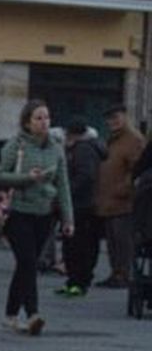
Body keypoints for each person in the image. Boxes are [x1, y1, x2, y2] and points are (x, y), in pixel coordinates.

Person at [0, 101, 72, 335]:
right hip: (18, 212)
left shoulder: (56, 148)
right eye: (38, 118)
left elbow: (63, 185)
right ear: (27, 122)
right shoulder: (16, 145)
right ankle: (33, 314)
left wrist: (68, 218)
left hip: (44, 213)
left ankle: (10, 314)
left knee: (25, 265)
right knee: (28, 262)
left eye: (46, 117)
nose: (43, 122)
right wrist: (27, 178)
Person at [97, 106, 146, 288]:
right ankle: (116, 273)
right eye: (109, 119)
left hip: (123, 201)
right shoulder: (113, 139)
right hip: (109, 199)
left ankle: (124, 275)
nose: (113, 122)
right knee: (112, 242)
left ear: (125, 117)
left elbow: (138, 169)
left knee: (122, 240)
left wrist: (124, 189)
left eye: (116, 117)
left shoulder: (133, 139)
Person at [59, 121, 106, 297]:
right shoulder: (85, 148)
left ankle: (79, 282)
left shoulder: (83, 150)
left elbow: (85, 176)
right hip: (83, 205)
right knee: (75, 245)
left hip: (81, 205)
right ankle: (74, 281)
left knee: (78, 246)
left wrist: (66, 191)